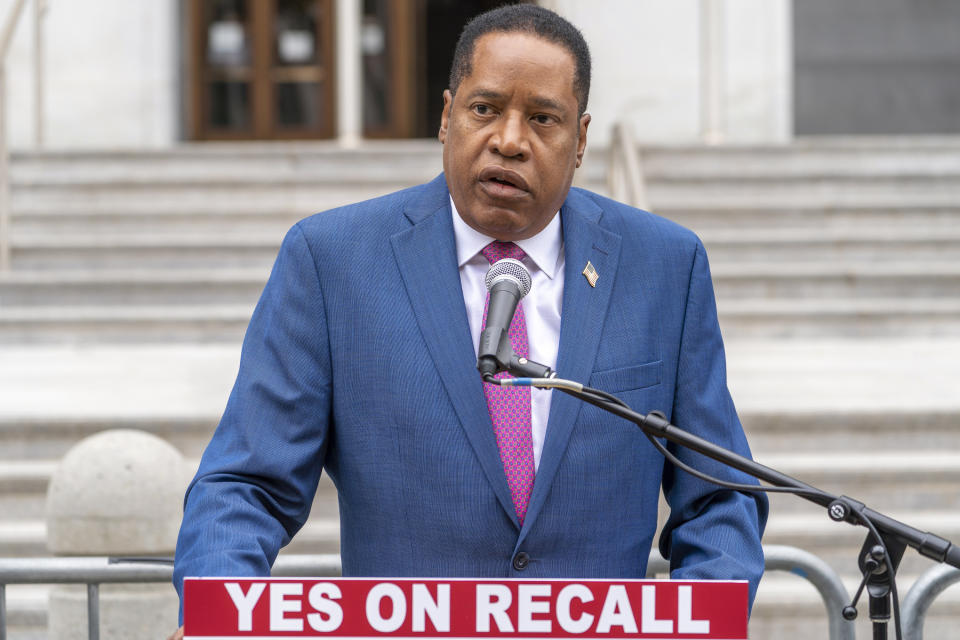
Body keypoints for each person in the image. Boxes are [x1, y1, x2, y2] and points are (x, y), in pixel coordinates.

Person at [169, 5, 768, 637]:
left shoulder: (663, 266)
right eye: (485, 109)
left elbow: (720, 493)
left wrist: (709, 611)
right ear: (447, 115)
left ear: (582, 139)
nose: (510, 139)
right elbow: (245, 487)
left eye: (542, 118)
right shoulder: (334, 262)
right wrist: (218, 612)